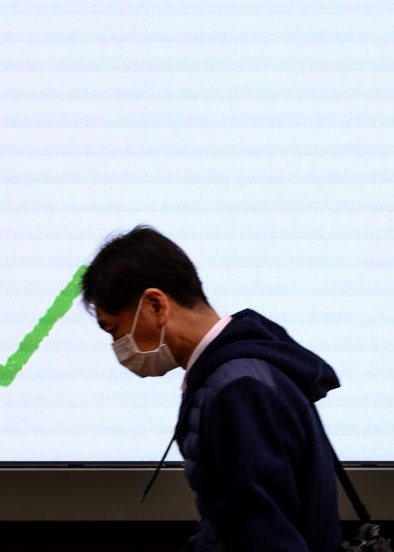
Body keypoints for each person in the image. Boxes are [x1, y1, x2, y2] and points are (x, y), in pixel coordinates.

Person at [81, 224, 343, 552]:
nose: (118, 345)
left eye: (114, 329)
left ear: (156, 305)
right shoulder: (239, 373)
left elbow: (267, 538)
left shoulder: (239, 389)